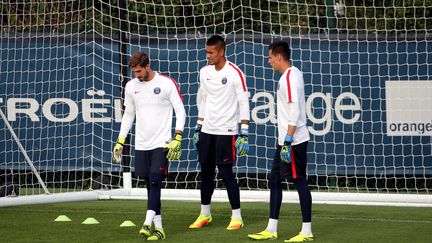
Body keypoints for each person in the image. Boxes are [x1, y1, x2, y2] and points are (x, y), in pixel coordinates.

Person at [112, 51, 186, 241]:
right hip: (141, 144)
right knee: (149, 185)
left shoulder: (166, 83)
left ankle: (146, 222)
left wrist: (177, 137)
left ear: (147, 66)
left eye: (139, 71)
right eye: (134, 72)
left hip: (162, 143)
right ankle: (159, 228)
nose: (136, 75)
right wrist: (121, 140)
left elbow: (180, 110)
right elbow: (129, 114)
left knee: (155, 180)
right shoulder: (131, 86)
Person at [248, 41, 313, 242]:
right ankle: (271, 228)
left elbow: (294, 111)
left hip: (293, 141)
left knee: (299, 180)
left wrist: (287, 140)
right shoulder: (288, 76)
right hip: (285, 140)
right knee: (274, 180)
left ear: (278, 57)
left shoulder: (291, 77)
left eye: (269, 57)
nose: (268, 62)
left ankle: (307, 231)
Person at [189, 35, 250, 230]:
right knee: (205, 173)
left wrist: (244, 132)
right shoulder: (204, 71)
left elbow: (243, 102)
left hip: (227, 131)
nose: (208, 56)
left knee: (226, 173)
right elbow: (204, 100)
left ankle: (237, 217)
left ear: (221, 52)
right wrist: (199, 125)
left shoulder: (235, 73)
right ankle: (205, 214)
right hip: (207, 131)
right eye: (206, 52)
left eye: (211, 52)